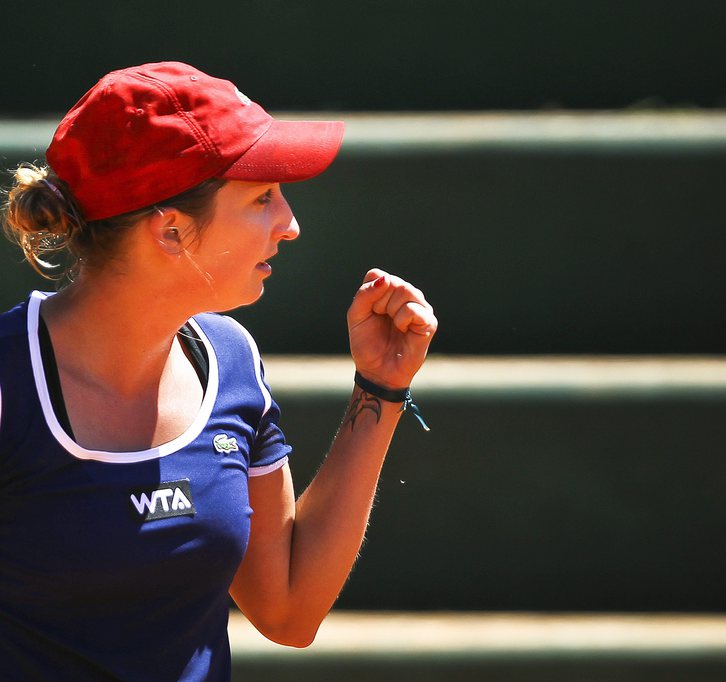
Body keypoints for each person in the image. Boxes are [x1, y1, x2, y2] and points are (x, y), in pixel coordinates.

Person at [0, 61, 437, 680]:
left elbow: (288, 610)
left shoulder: (231, 358)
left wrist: (381, 387)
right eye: (262, 198)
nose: (290, 225)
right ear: (171, 231)